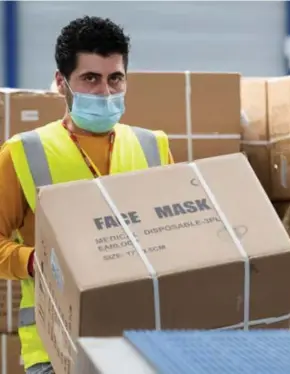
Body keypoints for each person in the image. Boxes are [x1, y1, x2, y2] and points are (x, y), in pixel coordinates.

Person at [0, 16, 172, 374]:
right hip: (56, 350)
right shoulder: (22, 153)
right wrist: (37, 262)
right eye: (90, 79)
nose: (105, 93)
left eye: (115, 78)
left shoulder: (153, 146)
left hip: (143, 345)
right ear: (61, 82)